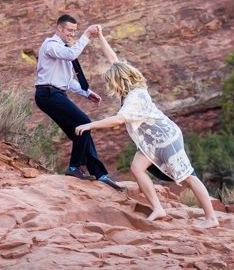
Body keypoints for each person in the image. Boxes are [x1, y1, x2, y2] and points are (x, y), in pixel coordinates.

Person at [75, 27, 219, 226]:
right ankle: (158, 209)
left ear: (118, 82)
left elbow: (118, 120)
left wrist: (90, 125)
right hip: (153, 140)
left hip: (165, 139)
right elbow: (113, 58)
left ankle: (211, 218)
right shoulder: (133, 86)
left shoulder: (135, 98)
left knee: (188, 177)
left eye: (111, 83)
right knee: (136, 167)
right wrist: (100, 36)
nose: (111, 87)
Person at [34, 13, 124, 190]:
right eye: (69, 30)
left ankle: (100, 174)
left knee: (81, 131)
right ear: (59, 28)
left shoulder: (63, 47)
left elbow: (66, 80)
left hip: (55, 93)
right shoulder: (51, 45)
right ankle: (74, 168)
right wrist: (87, 35)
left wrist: (86, 92)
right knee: (84, 123)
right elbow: (70, 55)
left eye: (75, 31)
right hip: (48, 94)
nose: (72, 34)